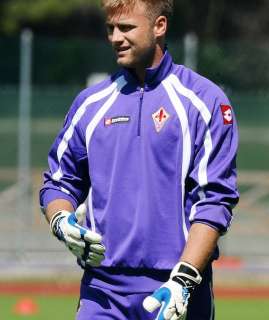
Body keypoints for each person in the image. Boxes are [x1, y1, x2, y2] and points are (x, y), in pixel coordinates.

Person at [39, 0, 239, 319]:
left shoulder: (205, 102)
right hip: (101, 293)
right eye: (110, 29)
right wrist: (61, 221)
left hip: (177, 290)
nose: (115, 38)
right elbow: (59, 183)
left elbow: (214, 200)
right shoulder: (90, 103)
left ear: (159, 26)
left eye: (126, 27)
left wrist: (183, 282)